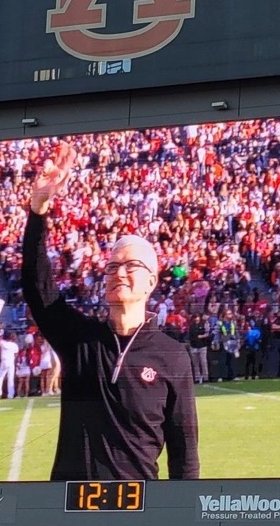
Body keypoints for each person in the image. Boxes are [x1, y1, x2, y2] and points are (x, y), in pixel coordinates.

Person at [21, 142, 200, 480]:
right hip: (69, 511)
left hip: (138, 516)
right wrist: (38, 209)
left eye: (131, 265)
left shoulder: (172, 356)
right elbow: (36, 287)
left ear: (151, 281)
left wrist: (180, 525)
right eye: (111, 267)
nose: (118, 273)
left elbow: (185, 452)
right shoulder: (81, 340)